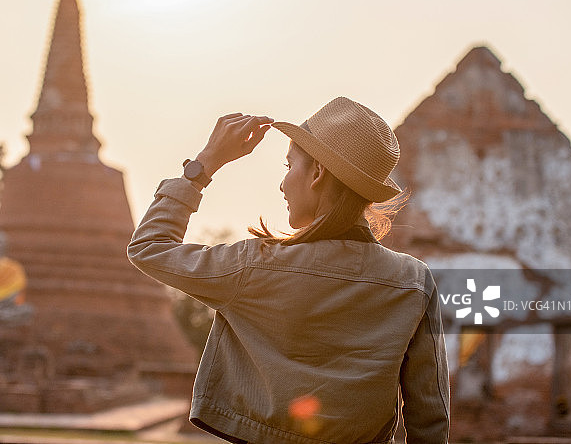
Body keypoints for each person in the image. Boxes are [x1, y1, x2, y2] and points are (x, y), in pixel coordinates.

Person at [128, 97, 449, 444]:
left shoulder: (255, 266)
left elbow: (150, 247)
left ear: (316, 174)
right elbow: (429, 415)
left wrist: (204, 165)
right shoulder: (414, 283)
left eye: (288, 166)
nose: (282, 184)